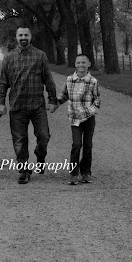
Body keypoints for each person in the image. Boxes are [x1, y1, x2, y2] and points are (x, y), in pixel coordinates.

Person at [0, 25, 58, 184]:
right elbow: (3, 82)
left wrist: (52, 100)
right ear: (16, 38)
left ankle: (40, 155)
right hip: (17, 106)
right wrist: (1, 102)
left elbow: (48, 79)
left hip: (37, 106)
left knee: (44, 136)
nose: (23, 38)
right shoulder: (9, 58)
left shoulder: (40, 56)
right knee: (19, 141)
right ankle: (24, 170)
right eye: (20, 35)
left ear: (30, 37)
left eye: (26, 35)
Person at [52, 54, 100, 185]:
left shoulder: (93, 81)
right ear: (75, 64)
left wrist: (92, 110)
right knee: (77, 144)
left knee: (87, 145)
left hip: (88, 118)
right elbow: (64, 96)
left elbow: (97, 99)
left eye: (83, 62)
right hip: (74, 119)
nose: (81, 65)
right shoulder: (69, 80)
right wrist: (55, 104)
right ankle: (73, 173)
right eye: (78, 63)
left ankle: (86, 173)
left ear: (89, 64)